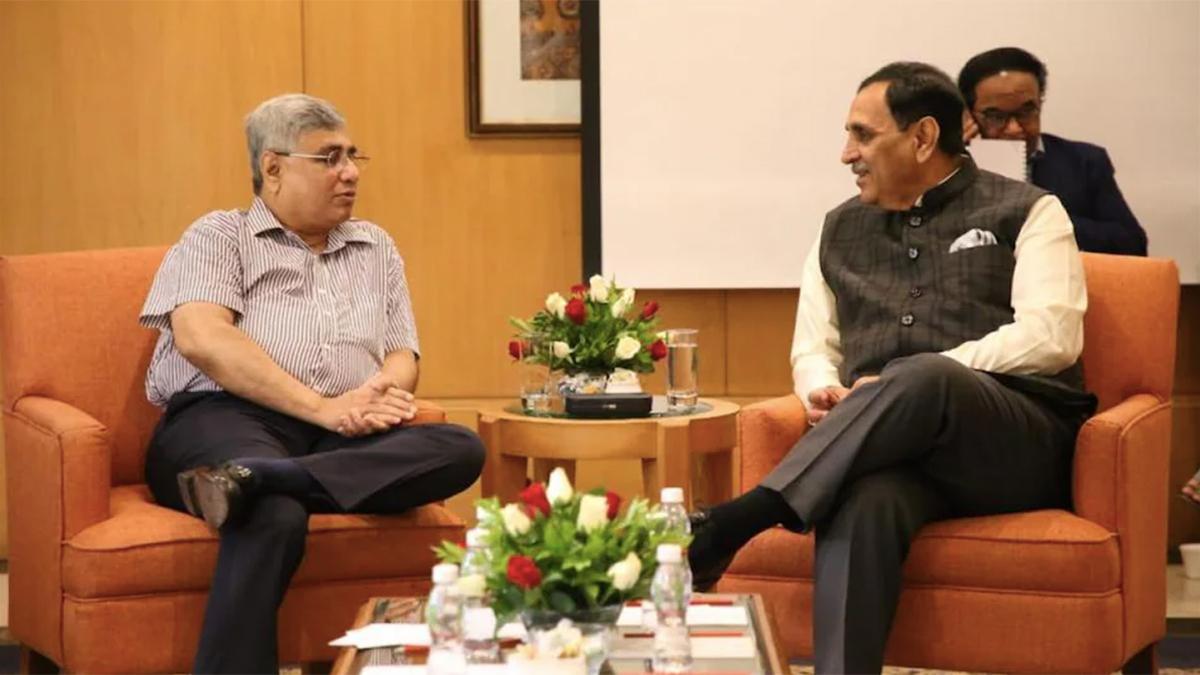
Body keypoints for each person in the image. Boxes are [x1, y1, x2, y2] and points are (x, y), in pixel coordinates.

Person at [685, 62, 1098, 674]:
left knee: (925, 375)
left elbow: (1052, 337)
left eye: (862, 135)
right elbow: (814, 347)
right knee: (863, 499)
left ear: (923, 137)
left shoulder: (1029, 209)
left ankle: (744, 517)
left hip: (1010, 445)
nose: (846, 154)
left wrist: (919, 376)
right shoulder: (838, 228)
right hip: (889, 452)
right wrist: (823, 391)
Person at [139, 93, 486, 674]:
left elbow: (402, 353)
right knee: (273, 514)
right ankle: (259, 479)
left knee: (459, 447)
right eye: (329, 158)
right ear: (273, 167)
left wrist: (378, 395)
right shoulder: (219, 236)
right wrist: (323, 407)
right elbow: (202, 338)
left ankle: (254, 478)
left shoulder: (375, 247)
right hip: (224, 419)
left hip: (340, 433)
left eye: (352, 156)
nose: (350, 172)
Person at [958, 47, 1147, 255]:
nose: (1014, 129)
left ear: (1040, 102)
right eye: (995, 116)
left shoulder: (1084, 161)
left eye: (1026, 111)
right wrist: (956, 161)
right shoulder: (953, 166)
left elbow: (1133, 245)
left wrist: (1045, 219)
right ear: (969, 115)